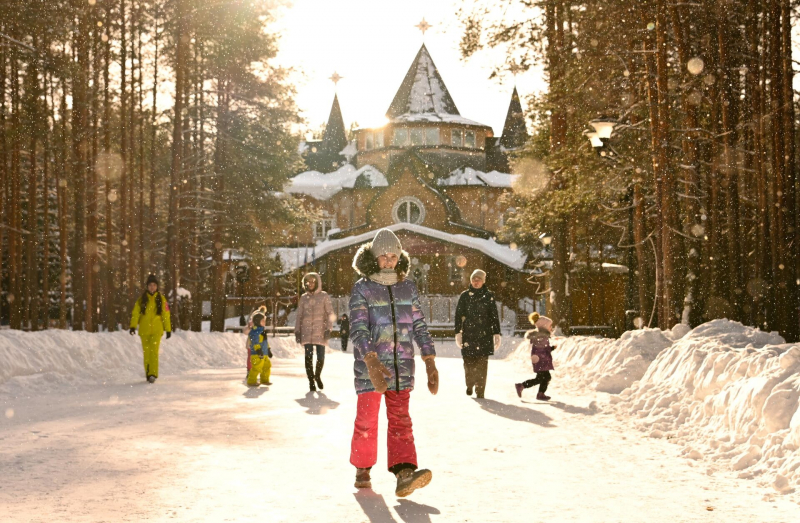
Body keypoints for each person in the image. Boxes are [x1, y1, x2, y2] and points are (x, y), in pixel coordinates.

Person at [349, 228, 439, 498]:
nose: (388, 261)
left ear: (399, 257)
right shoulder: (363, 288)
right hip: (371, 369)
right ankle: (363, 468)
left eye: (393, 256)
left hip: (401, 368)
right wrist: (370, 359)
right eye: (383, 256)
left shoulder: (407, 287)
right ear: (374, 257)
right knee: (367, 420)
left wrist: (429, 359)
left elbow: (419, 325)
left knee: (401, 421)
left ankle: (404, 473)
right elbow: (358, 328)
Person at [454, 269, 501, 399]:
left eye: (479, 279)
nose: (476, 282)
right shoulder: (465, 296)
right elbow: (458, 315)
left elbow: (494, 316)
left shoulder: (488, 296)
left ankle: (480, 390)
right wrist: (458, 332)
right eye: (474, 279)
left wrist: (496, 333)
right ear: (471, 281)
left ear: (483, 281)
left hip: (484, 335)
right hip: (468, 334)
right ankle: (470, 384)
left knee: (482, 364)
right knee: (468, 363)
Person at [129, 274, 172, 383]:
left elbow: (166, 315)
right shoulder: (141, 300)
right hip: (144, 331)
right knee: (147, 353)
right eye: (150, 285)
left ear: (157, 286)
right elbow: (135, 314)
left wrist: (168, 329)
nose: (152, 287)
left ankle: (153, 374)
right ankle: (148, 373)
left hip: (157, 330)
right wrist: (133, 326)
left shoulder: (161, 299)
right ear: (147, 286)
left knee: (154, 352)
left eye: (154, 285)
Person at [295, 272, 333, 391]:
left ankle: (317, 376)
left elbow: (330, 314)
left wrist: (328, 329)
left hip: (320, 331)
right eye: (308, 281)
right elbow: (299, 315)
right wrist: (297, 331)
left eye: (313, 281)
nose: (310, 283)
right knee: (308, 357)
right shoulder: (303, 297)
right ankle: (311, 380)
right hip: (306, 332)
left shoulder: (324, 296)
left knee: (320, 356)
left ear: (317, 282)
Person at [515, 312, 556, 401]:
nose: (551, 328)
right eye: (550, 326)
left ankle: (539, 393)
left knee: (542, 378)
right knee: (543, 378)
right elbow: (542, 349)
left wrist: (550, 348)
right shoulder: (542, 336)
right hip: (541, 360)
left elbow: (542, 348)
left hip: (540, 359)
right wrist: (551, 348)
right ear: (545, 326)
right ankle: (522, 386)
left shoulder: (541, 336)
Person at [247, 312, 273, 387]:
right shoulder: (255, 332)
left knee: (266, 367)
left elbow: (265, 342)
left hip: (264, 353)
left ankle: (264, 380)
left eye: (264, 321)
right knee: (256, 368)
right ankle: (251, 381)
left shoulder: (262, 331)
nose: (264, 322)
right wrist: (258, 350)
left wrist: (268, 349)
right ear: (257, 321)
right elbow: (254, 342)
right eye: (262, 321)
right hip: (256, 354)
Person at [244, 305, 268, 379]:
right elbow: (245, 332)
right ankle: (250, 370)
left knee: (260, 358)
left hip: (260, 346)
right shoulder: (252, 324)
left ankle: (258, 370)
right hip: (251, 345)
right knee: (251, 358)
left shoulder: (261, 327)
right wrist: (249, 327)